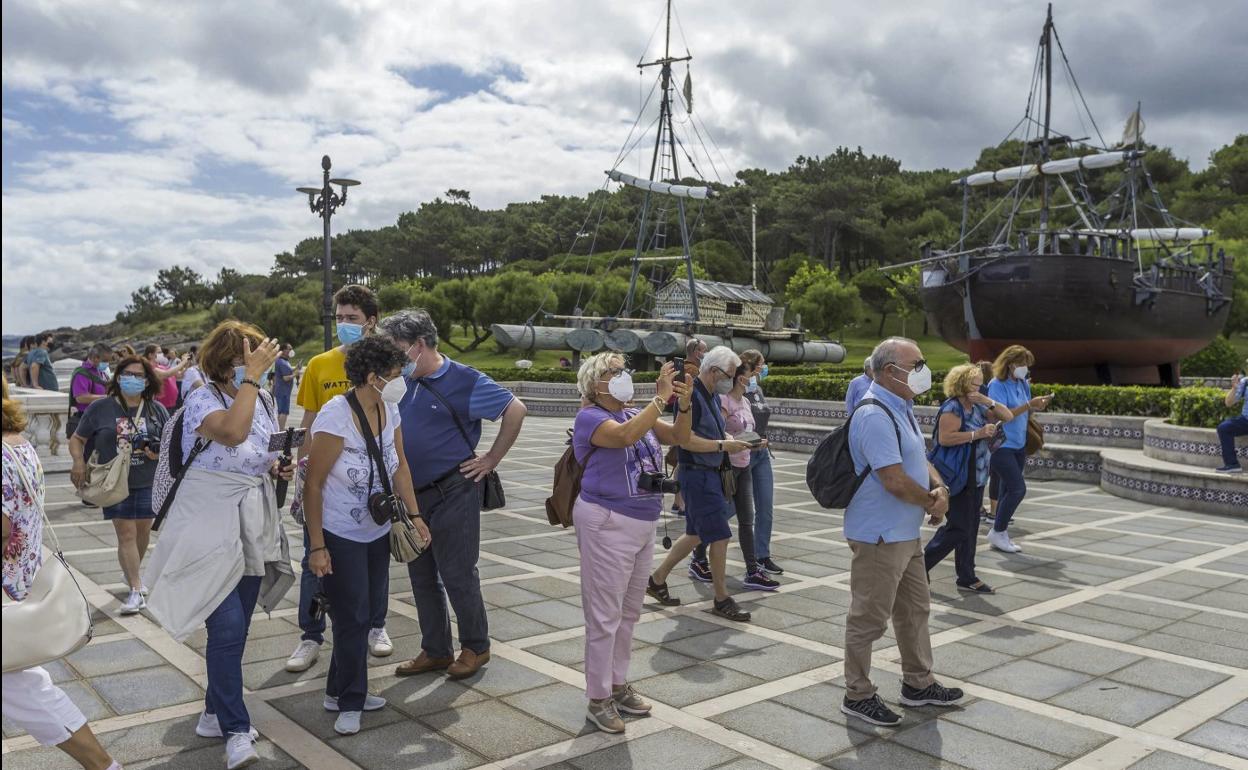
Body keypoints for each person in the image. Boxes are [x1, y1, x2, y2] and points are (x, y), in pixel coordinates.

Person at [142, 321, 292, 770]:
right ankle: (234, 729)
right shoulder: (201, 398)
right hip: (208, 521)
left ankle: (212, 711)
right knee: (226, 628)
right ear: (232, 359)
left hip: (250, 518)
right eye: (253, 357)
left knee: (238, 626)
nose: (262, 367)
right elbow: (231, 433)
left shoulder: (262, 397)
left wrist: (276, 467)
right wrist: (251, 378)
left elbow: (258, 447)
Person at [382, 308, 528, 680]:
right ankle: (435, 649)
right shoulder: (400, 380)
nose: (393, 358)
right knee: (421, 573)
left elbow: (516, 409)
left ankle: (476, 647)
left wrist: (491, 459)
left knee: (458, 572)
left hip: (453, 488)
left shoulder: (465, 379)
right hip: (412, 495)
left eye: (396, 348)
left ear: (418, 345)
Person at [303, 336, 432, 735]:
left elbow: (400, 466)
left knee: (367, 609)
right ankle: (352, 700)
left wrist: (415, 515)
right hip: (340, 531)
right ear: (373, 377)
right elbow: (313, 484)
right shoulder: (335, 416)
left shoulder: (389, 408)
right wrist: (318, 546)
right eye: (395, 375)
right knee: (351, 616)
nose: (401, 381)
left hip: (378, 527)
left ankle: (335, 691)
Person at [840, 337, 963, 727]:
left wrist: (939, 488)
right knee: (869, 618)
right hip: (879, 534)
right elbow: (892, 479)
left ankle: (918, 683)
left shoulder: (902, 405)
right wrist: (932, 501)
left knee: (914, 610)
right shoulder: (874, 413)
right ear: (891, 371)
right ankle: (857, 694)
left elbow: (920, 460)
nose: (924, 370)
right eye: (917, 363)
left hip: (903, 532)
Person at [3, 376, 124, 770]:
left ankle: (106, 766)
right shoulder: (18, 447)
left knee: (29, 691)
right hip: (17, 585)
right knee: (27, 689)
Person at [572, 354, 691, 733]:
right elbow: (623, 438)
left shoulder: (633, 413)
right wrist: (659, 399)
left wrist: (682, 402)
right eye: (612, 372)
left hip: (641, 523)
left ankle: (618, 683)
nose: (621, 377)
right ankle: (598, 697)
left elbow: (679, 436)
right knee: (605, 615)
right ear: (594, 383)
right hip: (606, 522)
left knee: (628, 612)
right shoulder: (590, 417)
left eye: (623, 370)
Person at [286, 285, 395, 673]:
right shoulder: (319, 364)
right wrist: (300, 471)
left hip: (370, 485)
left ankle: (375, 626)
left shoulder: (386, 363)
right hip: (323, 481)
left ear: (371, 321)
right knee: (313, 556)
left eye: (352, 318)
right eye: (339, 319)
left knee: (376, 559)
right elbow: (309, 421)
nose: (344, 325)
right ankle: (310, 634)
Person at [647, 346, 754, 622]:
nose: (731, 380)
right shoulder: (691, 396)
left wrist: (733, 440)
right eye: (729, 375)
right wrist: (722, 445)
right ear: (714, 371)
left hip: (709, 472)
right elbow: (685, 439)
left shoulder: (709, 396)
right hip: (698, 475)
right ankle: (721, 598)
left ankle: (657, 579)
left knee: (696, 534)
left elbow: (714, 432)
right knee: (720, 536)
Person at [69, 355, 170, 614]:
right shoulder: (101, 407)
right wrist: (78, 462)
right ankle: (136, 589)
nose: (133, 379)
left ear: (147, 381)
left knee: (143, 533)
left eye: (139, 375)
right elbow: (77, 439)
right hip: (114, 481)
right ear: (118, 377)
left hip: (148, 479)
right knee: (126, 533)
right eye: (128, 374)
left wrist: (156, 452)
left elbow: (168, 444)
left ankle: (130, 572)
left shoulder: (155, 409)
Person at [687, 361, 779, 591]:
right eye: (751, 374)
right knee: (719, 517)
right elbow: (719, 430)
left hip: (745, 463)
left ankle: (752, 570)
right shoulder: (724, 400)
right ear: (740, 378)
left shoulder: (746, 400)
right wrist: (733, 442)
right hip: (727, 466)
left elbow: (747, 431)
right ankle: (698, 558)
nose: (755, 377)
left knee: (747, 518)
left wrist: (755, 442)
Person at [923, 364, 1013, 593]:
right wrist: (977, 434)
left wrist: (988, 401)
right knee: (960, 527)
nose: (979, 386)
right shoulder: (953, 407)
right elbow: (945, 439)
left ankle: (967, 575)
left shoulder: (977, 406)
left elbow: (1008, 416)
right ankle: (920, 566)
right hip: (956, 476)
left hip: (976, 475)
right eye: (975, 383)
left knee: (971, 527)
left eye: (981, 383)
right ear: (962, 384)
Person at [985, 345, 1051, 553]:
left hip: (1018, 444)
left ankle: (1000, 533)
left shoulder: (1022, 383)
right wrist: (1028, 405)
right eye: (1022, 364)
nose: (1025, 369)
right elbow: (1004, 414)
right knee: (1018, 489)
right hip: (1001, 444)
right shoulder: (996, 384)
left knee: (1007, 489)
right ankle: (998, 531)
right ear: (1010, 364)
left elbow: (1026, 411)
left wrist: (1037, 404)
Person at [740, 350, 783, 576]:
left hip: (762, 454)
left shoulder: (758, 390)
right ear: (752, 367)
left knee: (765, 507)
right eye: (762, 365)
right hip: (744, 454)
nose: (764, 368)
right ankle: (700, 544)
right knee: (730, 507)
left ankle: (762, 555)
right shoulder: (735, 392)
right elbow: (734, 426)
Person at [669, 338, 706, 517]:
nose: (705, 354)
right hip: (688, 414)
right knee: (683, 460)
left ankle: (678, 501)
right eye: (703, 350)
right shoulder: (691, 370)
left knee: (679, 461)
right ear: (695, 351)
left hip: (685, 413)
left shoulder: (683, 366)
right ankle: (681, 501)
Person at [68, 344, 115, 438]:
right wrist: (107, 398)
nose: (107, 363)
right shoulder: (82, 374)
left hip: (101, 418)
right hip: (88, 419)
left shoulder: (100, 372)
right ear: (94, 358)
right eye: (105, 360)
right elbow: (80, 398)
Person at [1215, 366, 1248, 473]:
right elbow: (1228, 403)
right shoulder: (1245, 382)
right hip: (1246, 420)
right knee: (1224, 428)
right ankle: (1232, 464)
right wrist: (1234, 388)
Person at [144, 345, 188, 411]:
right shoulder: (151, 368)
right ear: (150, 355)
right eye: (158, 352)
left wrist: (187, 365)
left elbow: (179, 375)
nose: (161, 354)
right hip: (164, 405)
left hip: (172, 403)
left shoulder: (160, 366)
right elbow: (167, 374)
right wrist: (183, 362)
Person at [274, 344, 296, 430]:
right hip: (283, 391)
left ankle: (279, 429)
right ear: (283, 350)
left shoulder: (284, 361)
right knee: (284, 411)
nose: (291, 350)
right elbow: (285, 378)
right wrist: (295, 374)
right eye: (289, 349)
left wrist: (295, 369)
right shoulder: (282, 362)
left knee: (281, 411)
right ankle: (281, 430)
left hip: (284, 391)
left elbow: (288, 372)